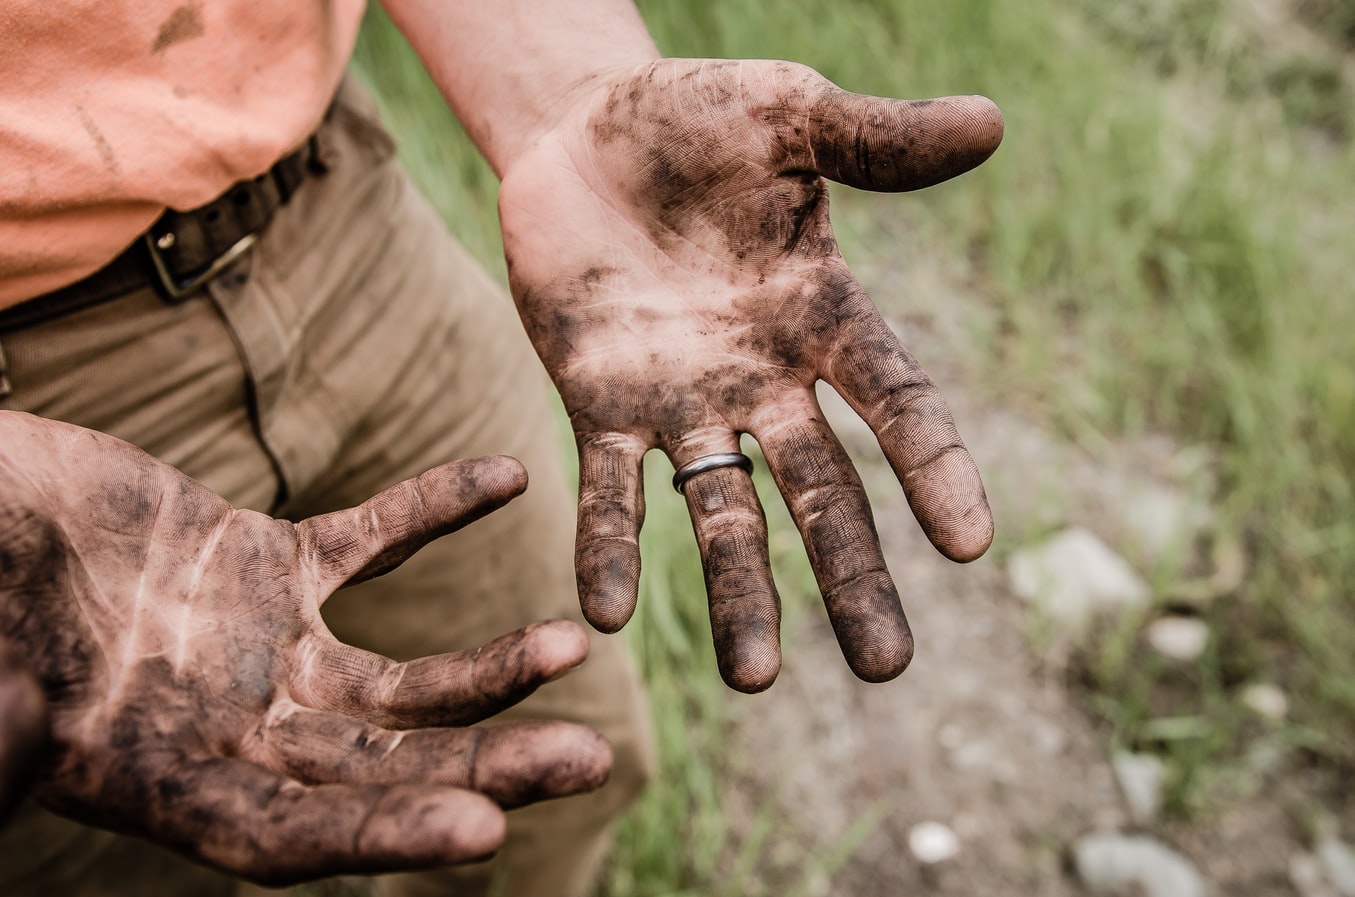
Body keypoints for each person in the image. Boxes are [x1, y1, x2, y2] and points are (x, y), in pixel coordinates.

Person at [0, 1, 1003, 895]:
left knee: (555, 774)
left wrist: (565, 93)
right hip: (31, 400)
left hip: (335, 217)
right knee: (114, 852)